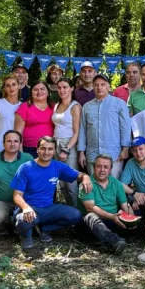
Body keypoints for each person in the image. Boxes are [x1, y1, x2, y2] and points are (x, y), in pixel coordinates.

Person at [11, 136, 93, 249]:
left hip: (48, 209)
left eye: (50, 149)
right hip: (30, 208)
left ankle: (44, 229)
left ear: (54, 151)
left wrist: (86, 178)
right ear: (37, 149)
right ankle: (26, 236)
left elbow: (79, 175)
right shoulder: (25, 168)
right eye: (43, 148)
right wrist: (25, 207)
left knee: (75, 215)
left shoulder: (57, 166)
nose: (46, 152)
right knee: (21, 221)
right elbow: (16, 195)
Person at [78, 155, 135, 254]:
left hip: (112, 221)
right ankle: (113, 242)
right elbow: (90, 208)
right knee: (91, 216)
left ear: (110, 169)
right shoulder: (86, 184)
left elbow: (125, 205)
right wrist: (111, 216)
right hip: (92, 225)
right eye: (99, 166)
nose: (102, 170)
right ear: (94, 167)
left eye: (106, 167)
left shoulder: (116, 183)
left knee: (135, 214)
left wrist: (132, 218)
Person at [78, 74, 131, 179]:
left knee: (114, 185)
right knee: (94, 186)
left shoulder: (119, 104)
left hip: (114, 154)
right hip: (93, 154)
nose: (99, 87)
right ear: (93, 87)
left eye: (102, 84)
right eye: (96, 85)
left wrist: (125, 148)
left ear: (108, 86)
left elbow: (125, 127)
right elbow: (83, 130)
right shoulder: (87, 106)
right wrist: (81, 152)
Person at [0, 131, 34, 234]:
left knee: (24, 223)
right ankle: (2, 228)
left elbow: (37, 178)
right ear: (3, 143)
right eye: (9, 141)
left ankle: (16, 225)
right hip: (0, 201)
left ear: (20, 143)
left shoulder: (27, 158)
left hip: (23, 200)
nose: (12, 144)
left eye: (16, 141)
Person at [51, 77, 81, 206]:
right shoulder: (57, 105)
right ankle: (69, 211)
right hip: (56, 143)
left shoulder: (75, 106)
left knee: (71, 182)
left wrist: (66, 149)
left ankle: (77, 213)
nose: (62, 90)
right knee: (61, 181)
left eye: (65, 87)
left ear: (71, 88)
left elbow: (77, 131)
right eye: (59, 87)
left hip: (69, 144)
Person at [14, 81, 55, 158]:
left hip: (50, 148)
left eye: (42, 89)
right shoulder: (24, 107)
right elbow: (18, 132)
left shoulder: (54, 106)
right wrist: (20, 151)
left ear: (47, 91)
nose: (39, 92)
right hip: (30, 149)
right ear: (31, 92)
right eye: (35, 89)